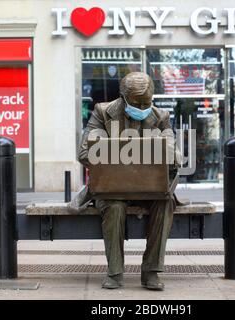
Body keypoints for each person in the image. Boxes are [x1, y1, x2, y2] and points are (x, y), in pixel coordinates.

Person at [72, 72, 181, 291]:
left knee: (165, 202)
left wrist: (166, 151)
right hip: (111, 188)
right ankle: (114, 272)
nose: (141, 108)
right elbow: (84, 153)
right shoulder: (102, 113)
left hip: (150, 189)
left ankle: (151, 271)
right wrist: (125, 153)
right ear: (123, 97)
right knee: (114, 206)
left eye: (146, 103)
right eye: (136, 103)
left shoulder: (162, 116)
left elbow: (174, 156)